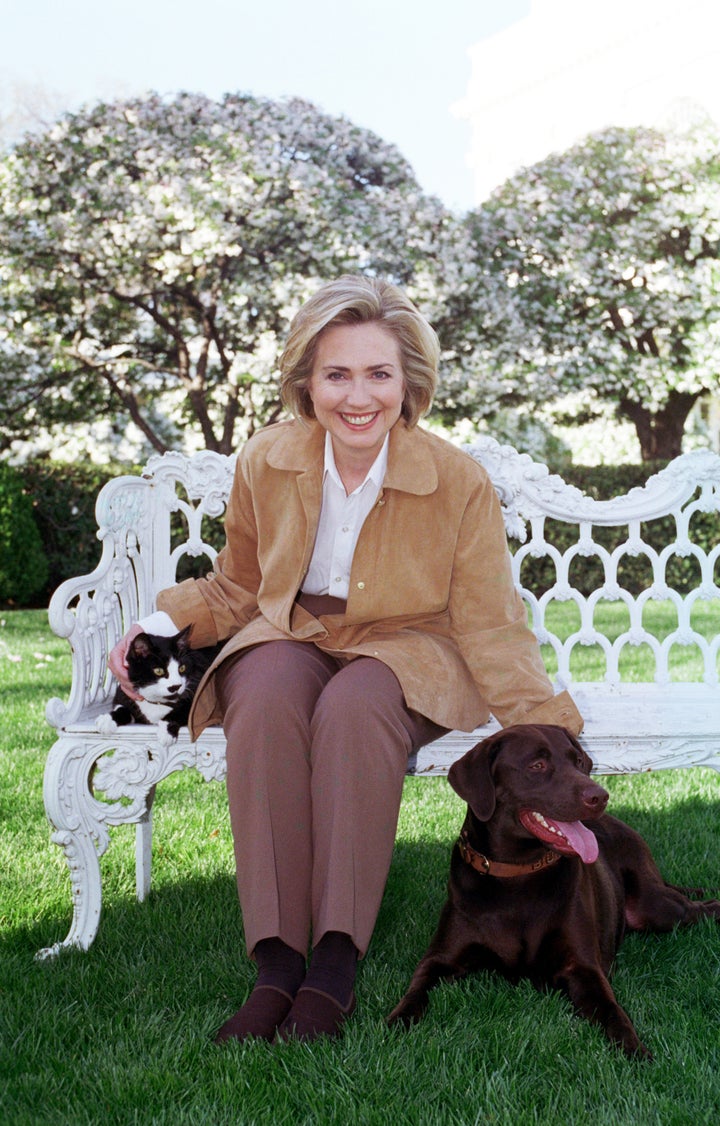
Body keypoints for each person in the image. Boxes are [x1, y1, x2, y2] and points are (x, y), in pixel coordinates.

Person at [109, 275, 583, 1045]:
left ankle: (332, 965)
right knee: (260, 689)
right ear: (306, 382)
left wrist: (552, 741)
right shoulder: (267, 459)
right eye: (337, 374)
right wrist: (157, 625)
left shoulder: (455, 480)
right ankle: (274, 964)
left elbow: (492, 626)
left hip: (410, 647)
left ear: (409, 384)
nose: (357, 396)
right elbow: (237, 584)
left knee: (355, 706)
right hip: (293, 632)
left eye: (378, 374)